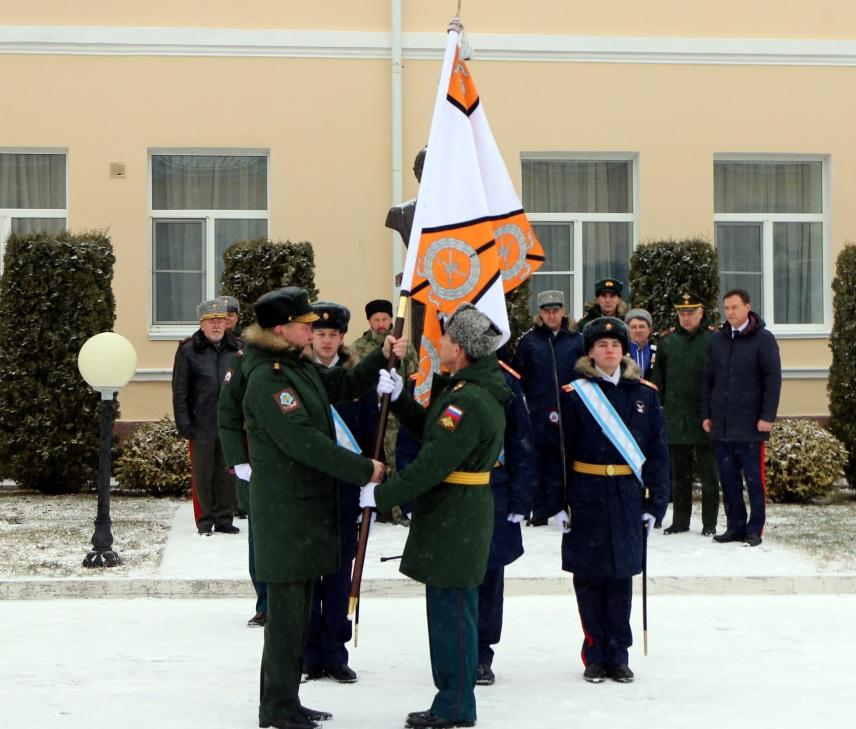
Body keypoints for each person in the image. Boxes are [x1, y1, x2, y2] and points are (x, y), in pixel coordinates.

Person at [241, 286, 405, 729]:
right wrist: (362, 469)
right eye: (305, 324)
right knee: (287, 616)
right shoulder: (270, 377)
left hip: (304, 510)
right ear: (282, 329)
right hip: (287, 511)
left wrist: (380, 356)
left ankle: (286, 701)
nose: (313, 331)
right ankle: (276, 706)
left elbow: (344, 384)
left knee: (296, 613)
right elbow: (303, 441)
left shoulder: (297, 367)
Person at [360, 303, 509, 729]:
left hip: (456, 517)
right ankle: (451, 700)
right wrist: (399, 399)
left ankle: (456, 706)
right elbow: (432, 431)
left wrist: (381, 496)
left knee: (453, 619)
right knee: (449, 613)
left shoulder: (469, 401)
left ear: (459, 349)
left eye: (444, 338)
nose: (438, 343)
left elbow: (431, 463)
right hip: (455, 515)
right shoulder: (465, 390)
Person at [550, 317, 668, 684]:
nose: (609, 350)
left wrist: (656, 505)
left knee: (621, 577)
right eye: (601, 345)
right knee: (589, 578)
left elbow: (658, 454)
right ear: (590, 352)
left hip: (626, 498)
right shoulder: (573, 395)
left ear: (624, 350)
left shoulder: (644, 394)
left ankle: (618, 653)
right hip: (586, 495)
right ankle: (594, 653)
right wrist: (555, 503)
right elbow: (556, 452)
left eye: (615, 344)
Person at [302, 301, 376, 684]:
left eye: (333, 335)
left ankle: (336, 651)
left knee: (340, 570)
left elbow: (367, 435)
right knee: (310, 572)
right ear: (310, 336)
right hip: (310, 489)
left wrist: (368, 483)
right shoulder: (297, 376)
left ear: (343, 338)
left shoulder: (354, 380)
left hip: (345, 488)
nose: (327, 340)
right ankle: (310, 653)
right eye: (321, 334)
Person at [702, 289, 781, 548]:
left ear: (747, 307)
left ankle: (755, 528)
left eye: (734, 307)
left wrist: (767, 416)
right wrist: (707, 414)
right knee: (729, 480)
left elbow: (773, 381)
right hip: (722, 425)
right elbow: (708, 380)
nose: (730, 313)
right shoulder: (718, 340)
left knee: (754, 481)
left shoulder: (763, 339)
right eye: (726, 308)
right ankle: (735, 526)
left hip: (750, 425)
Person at [476, 352, 536, 687]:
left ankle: (482, 654)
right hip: (449, 493)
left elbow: (520, 441)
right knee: (451, 578)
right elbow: (414, 441)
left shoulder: (506, 379)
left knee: (490, 574)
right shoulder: (432, 377)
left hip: (495, 488)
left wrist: (521, 497)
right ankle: (452, 651)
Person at [650, 292, 720, 536]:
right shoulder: (667, 342)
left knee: (710, 475)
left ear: (701, 312)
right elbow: (658, 380)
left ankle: (709, 523)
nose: (686, 317)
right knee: (679, 476)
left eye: (691, 313)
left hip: (705, 418)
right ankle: (680, 521)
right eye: (682, 313)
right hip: (676, 418)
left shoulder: (714, 339)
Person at [511, 290, 584, 525]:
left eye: (556, 311)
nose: (552, 316)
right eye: (547, 311)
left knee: (569, 459)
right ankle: (540, 509)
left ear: (563, 311)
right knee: (540, 461)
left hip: (570, 409)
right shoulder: (529, 342)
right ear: (540, 314)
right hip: (539, 411)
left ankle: (569, 505)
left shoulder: (576, 340)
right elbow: (518, 376)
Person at [172, 298, 241, 536]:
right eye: (211, 321)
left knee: (227, 473)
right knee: (203, 474)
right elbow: (180, 390)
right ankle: (205, 521)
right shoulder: (188, 350)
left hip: (230, 424)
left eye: (220, 320)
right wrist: (183, 421)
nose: (217, 325)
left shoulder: (237, 349)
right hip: (200, 422)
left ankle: (225, 518)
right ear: (201, 324)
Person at [218, 347, 268, 627]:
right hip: (256, 464)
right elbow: (228, 413)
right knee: (260, 536)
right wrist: (238, 461)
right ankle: (266, 603)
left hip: (298, 462)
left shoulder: (302, 353)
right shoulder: (245, 358)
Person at [624, 308, 657, 379]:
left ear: (649, 330)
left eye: (641, 327)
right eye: (633, 327)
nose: (638, 330)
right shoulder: (621, 351)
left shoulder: (657, 351)